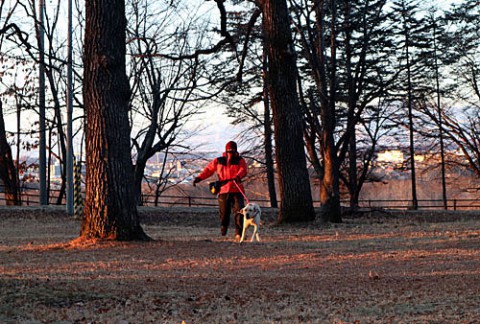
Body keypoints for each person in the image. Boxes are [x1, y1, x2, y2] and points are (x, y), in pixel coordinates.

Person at [193, 141, 247, 241]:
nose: (230, 153)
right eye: (229, 150)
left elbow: (243, 170)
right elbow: (208, 170)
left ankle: (239, 233)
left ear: (235, 150)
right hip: (223, 189)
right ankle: (224, 227)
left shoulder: (240, 160)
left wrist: (238, 177)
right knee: (224, 212)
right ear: (226, 150)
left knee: (239, 211)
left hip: (237, 189)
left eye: (232, 150)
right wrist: (199, 178)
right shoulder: (218, 161)